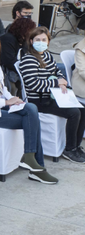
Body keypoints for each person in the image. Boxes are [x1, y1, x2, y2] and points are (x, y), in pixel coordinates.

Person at [0, 35, 54, 183]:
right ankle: (36, 167)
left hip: (1, 109)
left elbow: (3, 90)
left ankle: (30, 159)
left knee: (31, 108)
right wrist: (7, 103)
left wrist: (14, 100)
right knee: (32, 120)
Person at [20, 27, 85, 164]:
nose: (41, 42)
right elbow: (33, 84)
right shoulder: (29, 59)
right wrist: (56, 82)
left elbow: (57, 71)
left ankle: (76, 146)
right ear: (31, 41)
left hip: (52, 96)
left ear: (48, 42)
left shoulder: (47, 55)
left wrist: (61, 82)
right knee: (74, 112)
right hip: (38, 100)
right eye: (37, 40)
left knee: (82, 109)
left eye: (44, 39)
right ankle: (69, 149)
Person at [0, 16, 36, 95]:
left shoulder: (24, 40)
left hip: (18, 68)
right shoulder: (7, 39)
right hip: (6, 70)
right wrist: (26, 69)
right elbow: (9, 61)